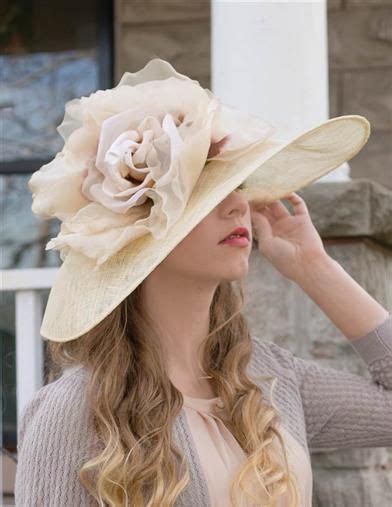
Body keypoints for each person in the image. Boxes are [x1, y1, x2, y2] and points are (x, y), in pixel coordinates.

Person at [14, 58, 392, 507]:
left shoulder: (269, 378)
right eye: (202, 192)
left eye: (238, 186)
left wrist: (314, 267)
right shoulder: (76, 409)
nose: (237, 207)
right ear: (139, 232)